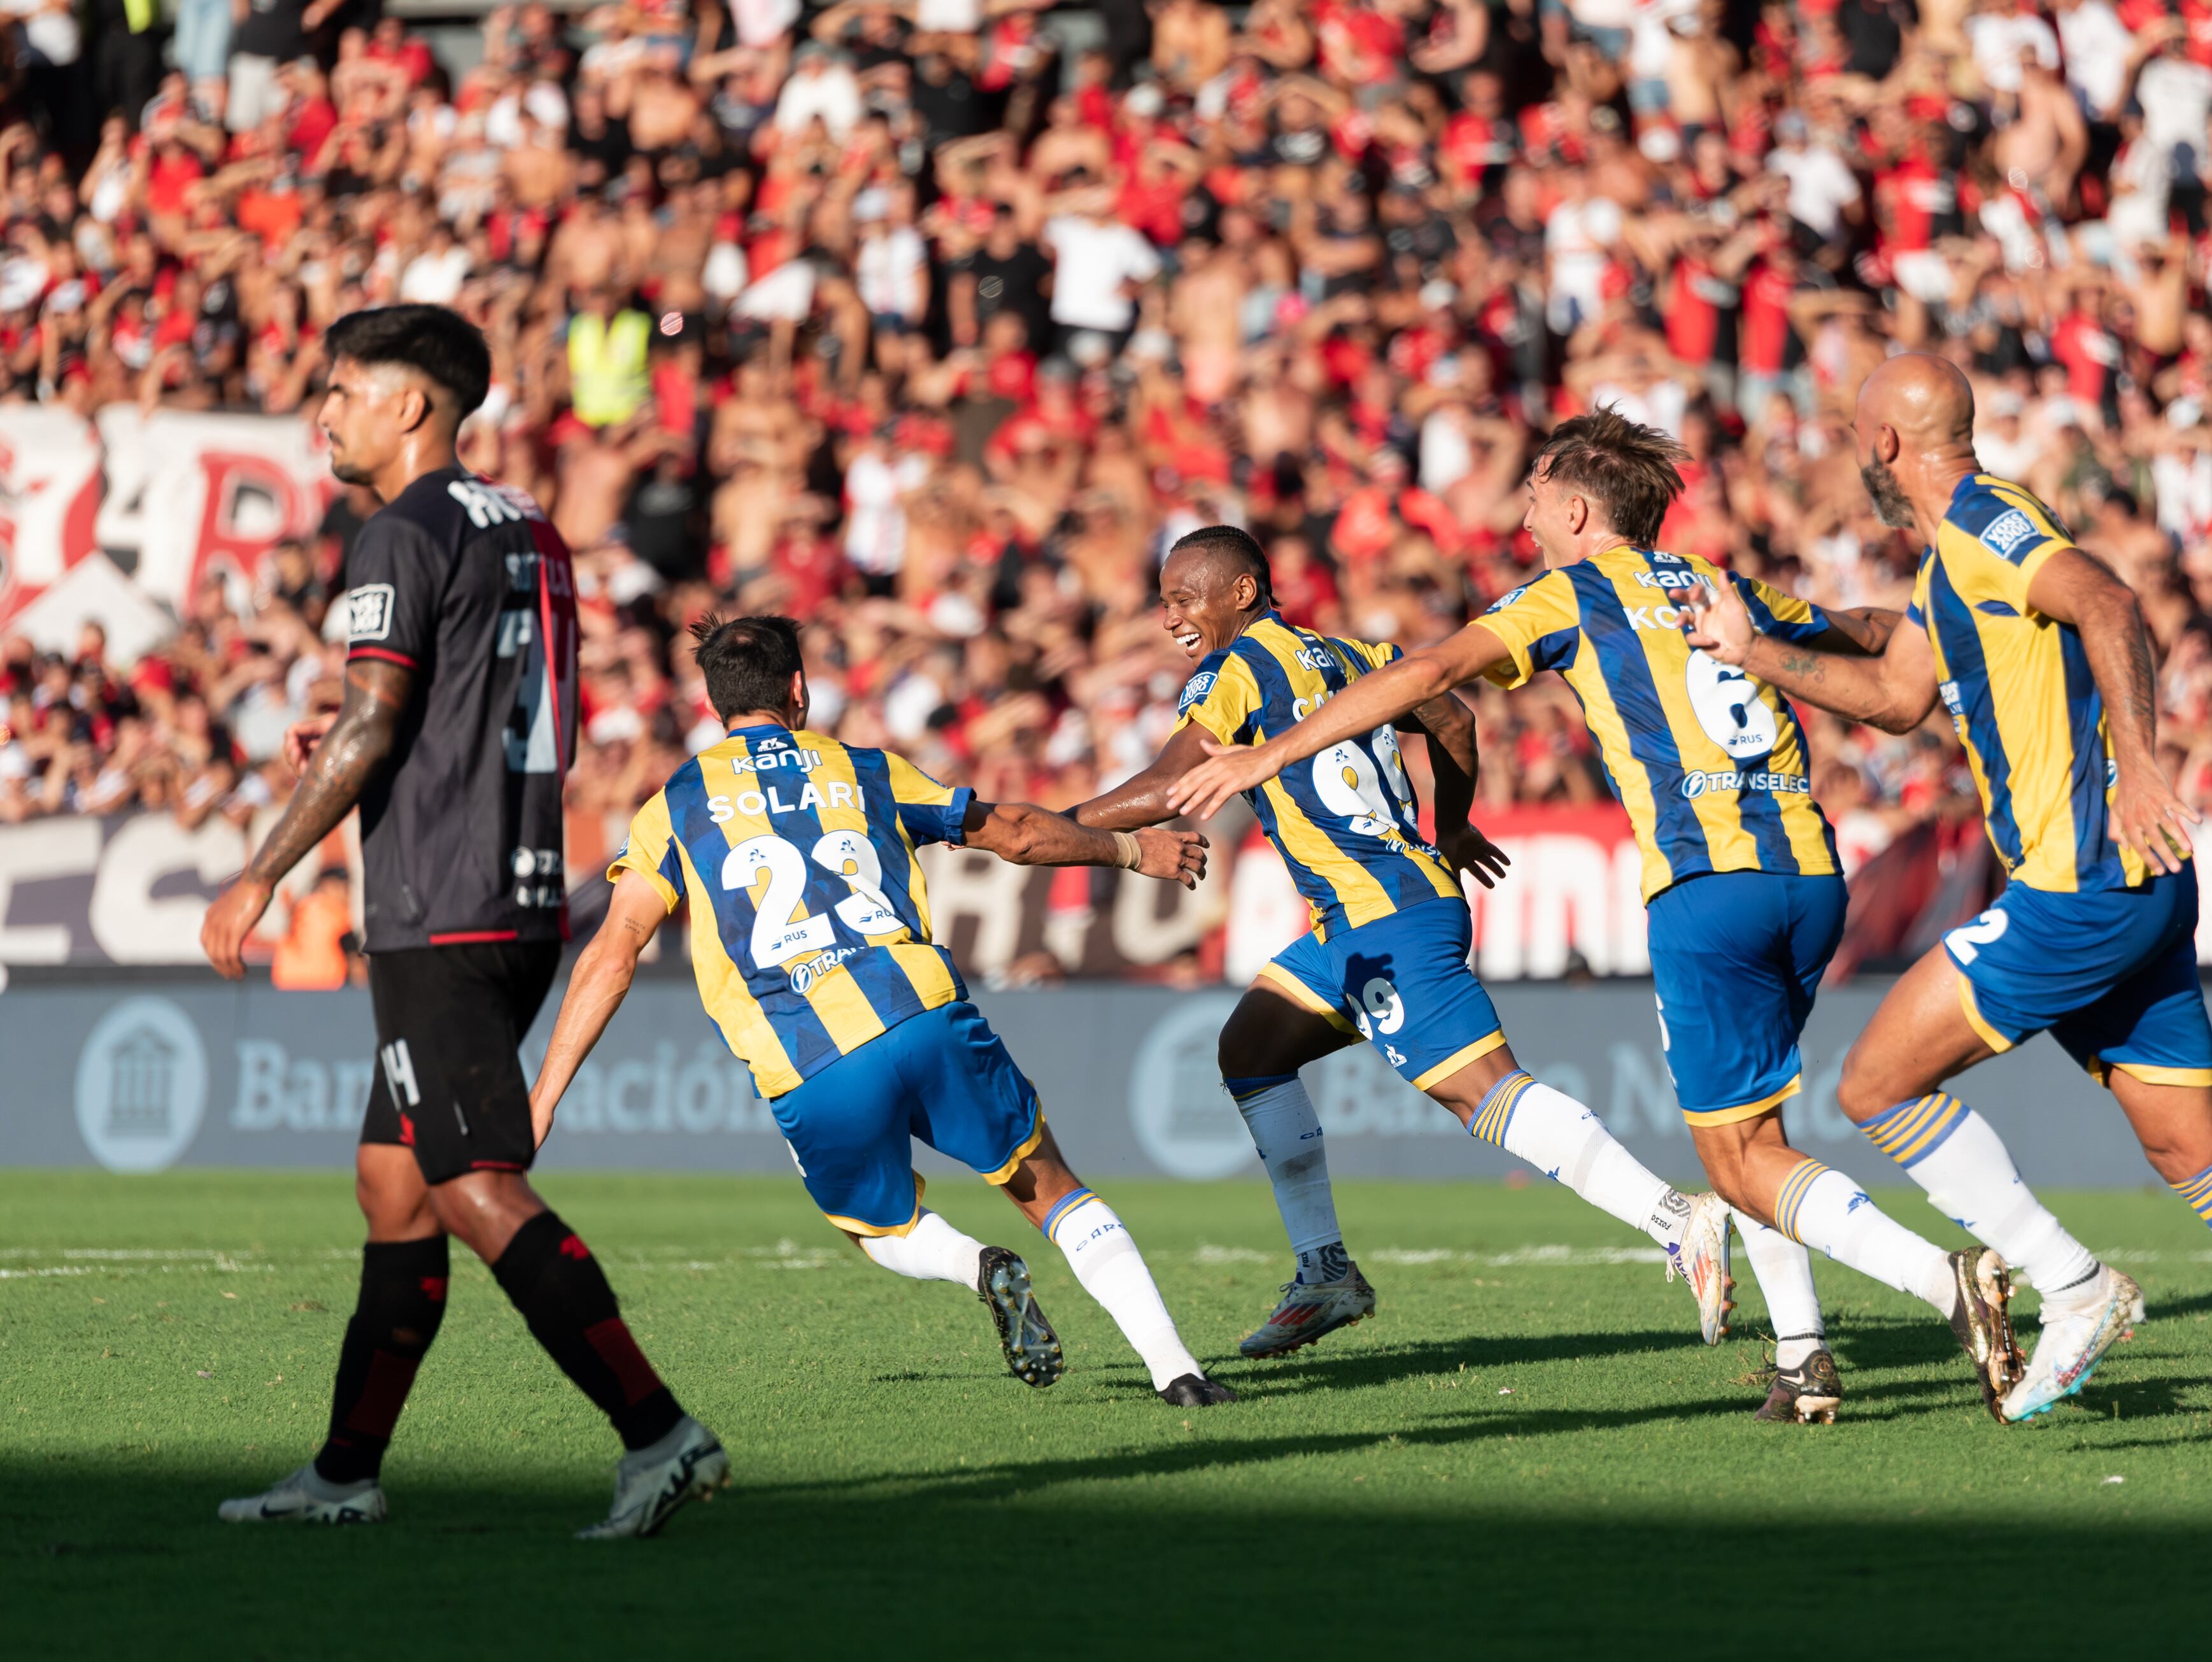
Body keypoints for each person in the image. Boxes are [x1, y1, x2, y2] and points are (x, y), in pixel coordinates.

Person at [1165, 420, 2024, 1424]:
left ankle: (1944, 1283)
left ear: (1576, 510)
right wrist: (1962, 628)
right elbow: (1861, 633)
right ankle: (1802, 1357)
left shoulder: (1568, 592)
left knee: (1734, 1153)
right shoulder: (1716, 582)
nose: (1523, 512)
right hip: (1810, 869)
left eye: (1534, 493)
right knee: (1757, 1128)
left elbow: (1434, 676)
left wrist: (1273, 753)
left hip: (1709, 885)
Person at [1677, 352, 2212, 1452]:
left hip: (2083, 884)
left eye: (1856, 433)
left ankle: (2070, 1286)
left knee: (1878, 1084)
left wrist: (2145, 761)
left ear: (1886, 444)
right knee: (2191, 1148)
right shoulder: (1952, 563)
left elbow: (2109, 600)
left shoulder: (1985, 525)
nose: (1853, 453)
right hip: (2138, 885)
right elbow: (1894, 695)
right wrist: (1765, 644)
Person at [200, 304, 727, 1537]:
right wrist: (365, 733)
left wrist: (261, 872)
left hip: (438, 899)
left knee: (475, 1183)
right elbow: (487, 706)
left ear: (412, 405)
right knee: (396, 1185)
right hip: (518, 888)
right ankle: (344, 1471)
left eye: (342, 389)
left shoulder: (399, 528)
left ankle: (660, 1434)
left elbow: (382, 714)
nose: (324, 411)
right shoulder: (528, 526)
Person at [1066, 525, 1740, 1369]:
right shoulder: (1354, 653)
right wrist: (1449, 821)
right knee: (1251, 1047)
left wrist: (1048, 828)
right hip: (1362, 919)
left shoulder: (1233, 672)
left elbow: (1171, 784)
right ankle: (1326, 1273)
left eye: (1182, 596)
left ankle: (1679, 1222)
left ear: (1241, 592)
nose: (1170, 617)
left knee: (1485, 1096)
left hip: (1384, 920)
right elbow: (1450, 716)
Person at [529, 613, 1237, 1408]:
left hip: (808, 1058)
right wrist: (1133, 851)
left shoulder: (674, 807)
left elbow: (612, 953)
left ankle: (977, 1266)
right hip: (922, 1012)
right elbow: (1013, 834)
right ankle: (1177, 1371)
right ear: (799, 690)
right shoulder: (865, 768)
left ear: (710, 702)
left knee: (877, 1228)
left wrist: (543, 1097)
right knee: (1051, 1188)